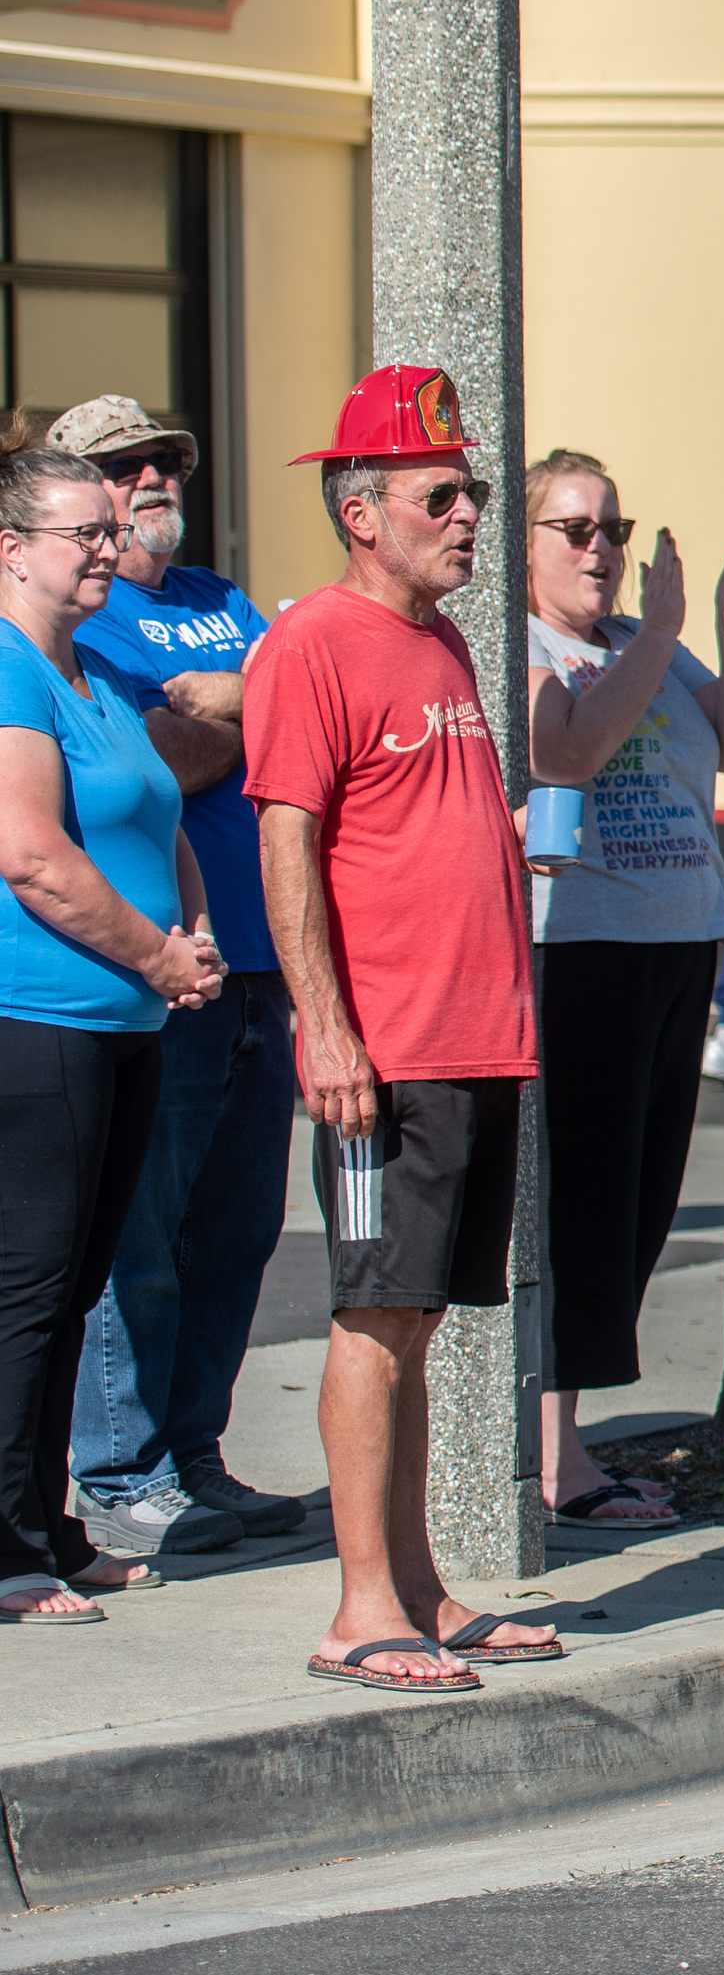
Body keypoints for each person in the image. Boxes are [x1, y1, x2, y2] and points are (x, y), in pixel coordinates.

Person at [244, 367, 559, 1691]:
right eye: (442, 493)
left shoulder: (438, 642)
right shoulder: (314, 641)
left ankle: (419, 1589)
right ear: (360, 511)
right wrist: (328, 1031)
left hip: (476, 1046)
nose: (470, 514)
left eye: (472, 490)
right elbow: (288, 839)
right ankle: (358, 1608)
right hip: (391, 1054)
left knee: (417, 1321)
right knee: (374, 1321)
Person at [522, 451, 724, 1532]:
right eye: (575, 528)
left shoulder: (651, 646)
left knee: (634, 1203)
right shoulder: (524, 648)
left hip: (681, 936)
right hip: (578, 944)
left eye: (613, 529)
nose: (601, 549)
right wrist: (657, 629)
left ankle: (566, 1437)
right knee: (581, 1200)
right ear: (528, 544)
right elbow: (570, 753)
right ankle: (550, 1455)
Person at [49, 395, 305, 1559]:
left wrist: (241, 703)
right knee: (142, 1236)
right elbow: (168, 755)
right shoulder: (81, 623)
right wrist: (256, 705)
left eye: (167, 458)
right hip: (165, 964)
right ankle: (121, 1470)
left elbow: (300, 720)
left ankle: (197, 1454)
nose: (153, 476)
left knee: (238, 1229)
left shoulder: (217, 598)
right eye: (123, 464)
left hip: (268, 959)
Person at [0, 444, 222, 1623]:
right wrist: (154, 954)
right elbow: (32, 854)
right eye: (80, 529)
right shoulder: (5, 668)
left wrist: (191, 925)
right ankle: (5, 1547)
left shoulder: (83, 667)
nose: (105, 544)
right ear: (10, 547)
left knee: (71, 1285)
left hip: (127, 1014)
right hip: (39, 1019)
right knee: (28, 1291)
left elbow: (159, 814)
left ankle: (49, 1525)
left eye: (107, 527)